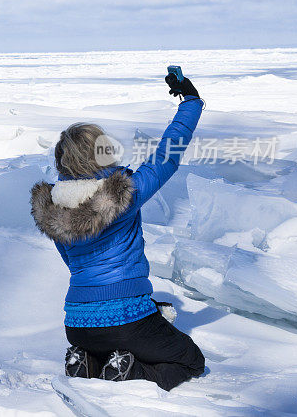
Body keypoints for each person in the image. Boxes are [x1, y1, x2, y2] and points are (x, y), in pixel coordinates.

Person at [30, 73, 206, 391]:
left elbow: (75, 265)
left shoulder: (54, 210)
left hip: (77, 324)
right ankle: (132, 374)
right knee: (190, 359)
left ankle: (87, 361)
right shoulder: (124, 194)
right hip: (126, 321)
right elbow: (168, 154)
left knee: (112, 341)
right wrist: (190, 103)